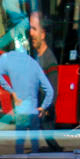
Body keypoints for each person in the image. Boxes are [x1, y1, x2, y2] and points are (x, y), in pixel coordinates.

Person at [0, 34, 54, 155]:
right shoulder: (34, 64)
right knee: (35, 142)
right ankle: (34, 158)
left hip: (21, 110)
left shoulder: (6, 58)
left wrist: (11, 91)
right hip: (34, 111)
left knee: (19, 142)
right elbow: (50, 91)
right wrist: (43, 106)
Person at [26, 10, 64, 150]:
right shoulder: (38, 56)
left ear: (43, 35)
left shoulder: (49, 59)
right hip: (38, 104)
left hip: (45, 106)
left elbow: (53, 87)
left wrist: (45, 107)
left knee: (48, 135)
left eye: (34, 29)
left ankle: (56, 152)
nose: (30, 33)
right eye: (30, 28)